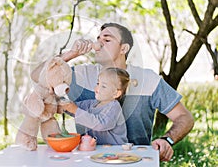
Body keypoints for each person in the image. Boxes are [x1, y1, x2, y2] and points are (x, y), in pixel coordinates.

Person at [31, 22, 194, 161]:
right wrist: (69, 55)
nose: (99, 44)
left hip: (136, 162)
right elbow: (37, 75)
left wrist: (168, 140)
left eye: (107, 39)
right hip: (89, 161)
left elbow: (184, 118)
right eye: (98, 39)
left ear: (124, 48)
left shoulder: (148, 80)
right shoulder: (81, 75)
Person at [60, 67, 130, 145]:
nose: (97, 88)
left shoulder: (114, 107)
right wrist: (62, 106)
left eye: (103, 86)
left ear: (116, 93)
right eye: (98, 83)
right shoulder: (92, 104)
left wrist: (75, 110)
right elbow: (74, 108)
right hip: (97, 149)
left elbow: (100, 124)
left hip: (116, 150)